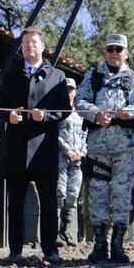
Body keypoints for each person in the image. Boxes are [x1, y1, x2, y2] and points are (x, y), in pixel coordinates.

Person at [75, 33, 134, 264]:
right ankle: (100, 244)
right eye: (111, 49)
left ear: (126, 53)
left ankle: (118, 244)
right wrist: (95, 114)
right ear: (104, 52)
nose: (115, 53)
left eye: (119, 49)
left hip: (125, 147)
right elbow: (79, 101)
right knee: (97, 194)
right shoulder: (92, 77)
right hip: (98, 146)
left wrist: (132, 111)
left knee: (121, 195)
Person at [0, 27, 69, 263]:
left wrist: (46, 115)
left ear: (42, 47)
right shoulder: (11, 74)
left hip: (44, 149)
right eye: (26, 43)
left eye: (34, 42)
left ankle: (50, 250)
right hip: (17, 148)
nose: (29, 46)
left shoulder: (56, 76)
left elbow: (65, 109)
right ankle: (15, 250)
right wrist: (9, 116)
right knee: (15, 202)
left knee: (48, 203)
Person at [56, 78, 86, 248]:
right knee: (60, 194)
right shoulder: (58, 110)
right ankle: (55, 234)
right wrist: (67, 150)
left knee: (73, 196)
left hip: (77, 160)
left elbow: (85, 135)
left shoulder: (80, 113)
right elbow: (55, 134)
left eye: (71, 89)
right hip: (61, 157)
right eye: (66, 89)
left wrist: (81, 153)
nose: (69, 92)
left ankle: (65, 231)